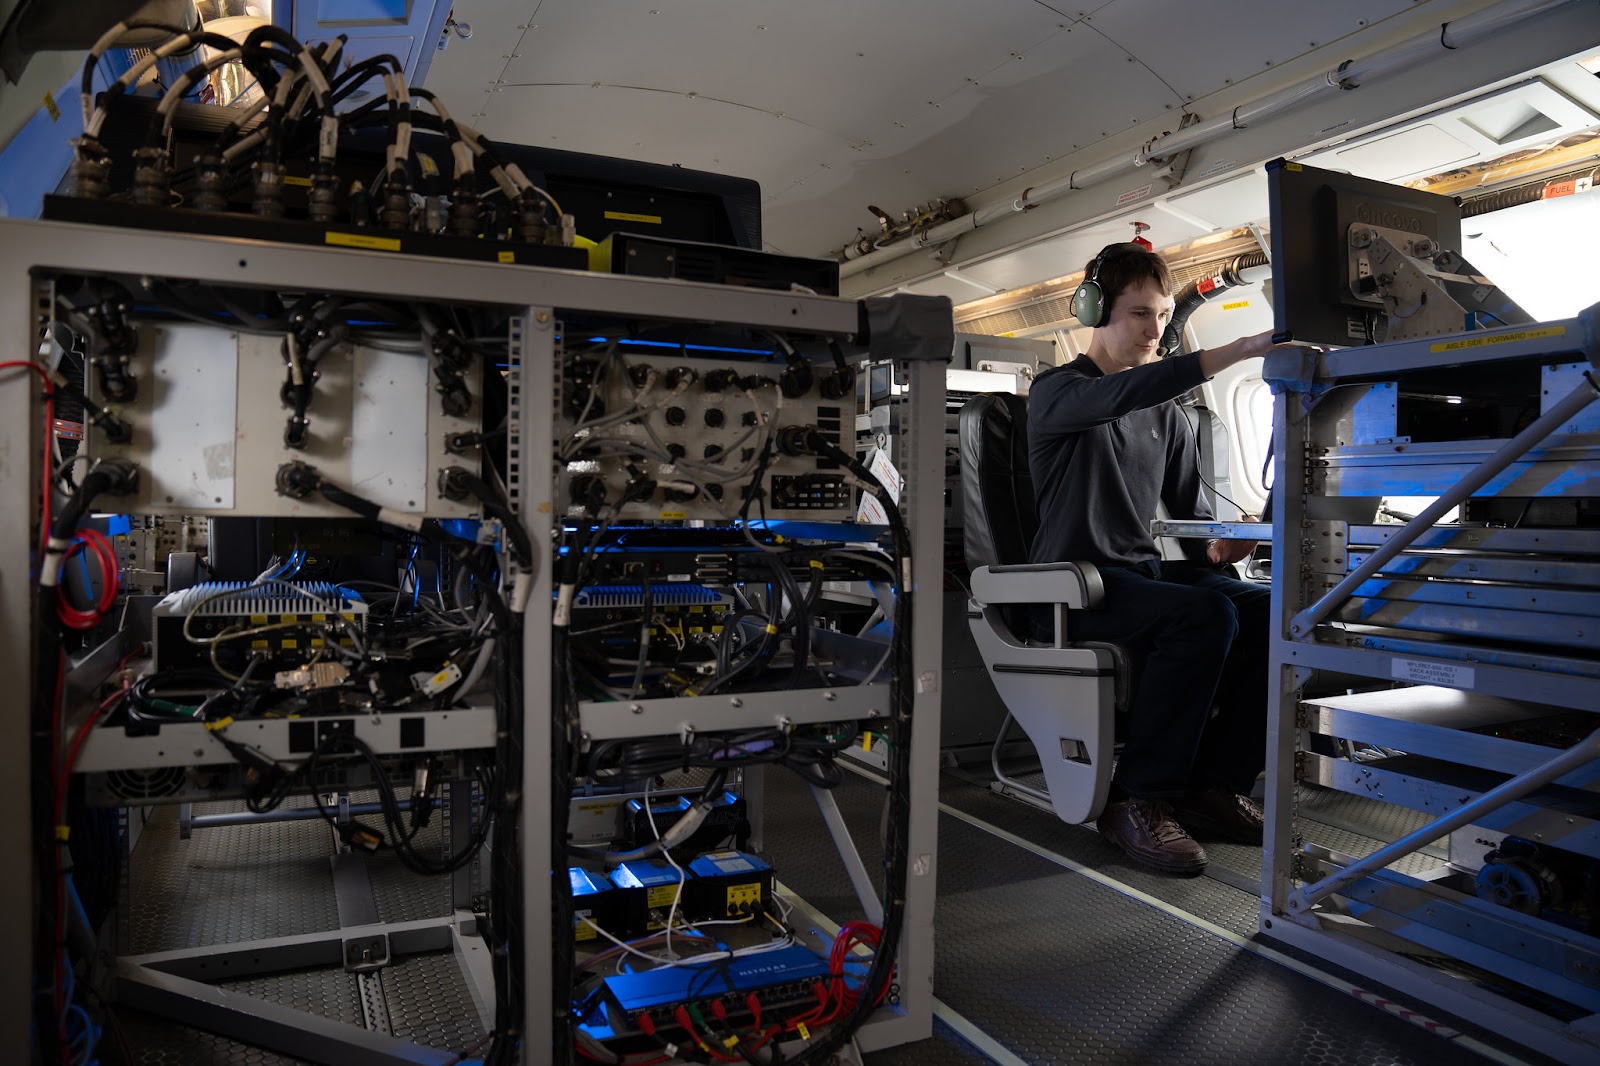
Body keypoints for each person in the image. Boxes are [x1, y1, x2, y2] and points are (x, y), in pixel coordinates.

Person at [1028, 242, 1274, 876]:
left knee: (1268, 608)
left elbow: (1194, 524)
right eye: (1139, 313)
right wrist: (1241, 350)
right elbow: (1123, 394)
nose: (1154, 329)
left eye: (1163, 315)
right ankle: (1139, 800)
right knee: (1202, 617)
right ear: (1095, 312)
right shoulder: (1057, 393)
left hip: (1135, 579)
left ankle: (1212, 786)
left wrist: (1224, 547)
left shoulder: (1167, 413)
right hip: (1068, 588)